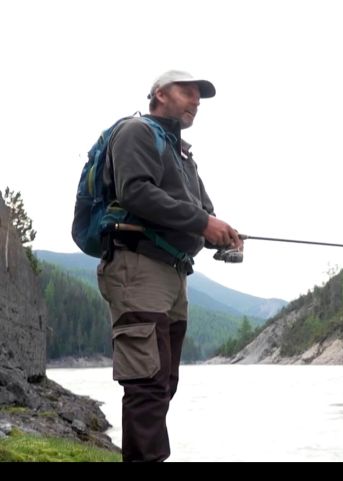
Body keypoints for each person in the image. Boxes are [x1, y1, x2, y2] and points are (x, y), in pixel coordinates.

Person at [96, 70, 243, 462]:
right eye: (188, 92)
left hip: (174, 274)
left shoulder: (183, 156)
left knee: (163, 383)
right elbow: (136, 192)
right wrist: (203, 222)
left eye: (199, 96)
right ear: (160, 94)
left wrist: (221, 234)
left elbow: (202, 212)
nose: (196, 101)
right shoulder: (136, 132)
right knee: (146, 384)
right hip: (137, 266)